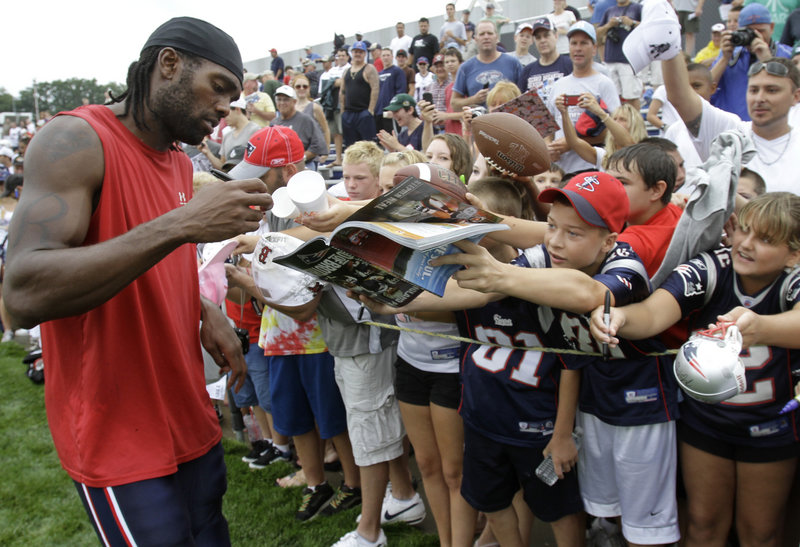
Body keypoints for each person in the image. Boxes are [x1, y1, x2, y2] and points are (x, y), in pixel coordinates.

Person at [2, 17, 273, 545]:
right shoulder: (74, 139)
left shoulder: (175, 161)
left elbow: (149, 253)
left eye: (234, 96)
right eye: (219, 87)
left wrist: (201, 309)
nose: (225, 108)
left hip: (186, 413)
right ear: (168, 64)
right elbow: (24, 292)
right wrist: (185, 223)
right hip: (116, 433)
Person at [591, 192, 800, 547]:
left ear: (794, 254)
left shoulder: (791, 280)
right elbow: (654, 314)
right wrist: (620, 316)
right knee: (703, 525)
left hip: (772, 425)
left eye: (765, 239)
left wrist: (759, 328)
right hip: (707, 422)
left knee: (760, 532)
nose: (745, 245)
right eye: (743, 230)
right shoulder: (711, 268)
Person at [661, 33, 800, 192]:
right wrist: (669, 33)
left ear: (796, 96)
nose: (760, 98)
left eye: (772, 90)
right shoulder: (729, 133)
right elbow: (679, 96)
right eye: (753, 90)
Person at [547, 21, 620, 175]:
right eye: (574, 43)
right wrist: (549, 148)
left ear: (594, 49)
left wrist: (573, 143)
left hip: (591, 167)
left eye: (584, 43)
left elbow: (616, 129)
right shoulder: (558, 85)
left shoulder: (604, 83)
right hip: (561, 170)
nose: (578, 48)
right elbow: (548, 128)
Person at [710, 3, 794, 121]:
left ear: (772, 28)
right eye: (748, 32)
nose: (754, 37)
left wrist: (768, 60)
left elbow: (793, 94)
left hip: (773, 127)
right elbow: (706, 88)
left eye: (760, 31)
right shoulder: (730, 54)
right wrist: (724, 59)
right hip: (733, 128)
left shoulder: (788, 54)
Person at [451, 20, 522, 110]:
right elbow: (454, 104)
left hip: (508, 122)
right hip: (480, 122)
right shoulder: (465, 68)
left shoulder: (513, 63)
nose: (486, 37)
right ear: (475, 39)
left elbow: (524, 98)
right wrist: (474, 99)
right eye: (482, 34)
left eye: (490, 33)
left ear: (496, 37)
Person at [596, 0, 644, 109]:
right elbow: (598, 33)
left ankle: (636, 124)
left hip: (629, 59)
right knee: (612, 98)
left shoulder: (637, 8)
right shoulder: (609, 11)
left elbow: (648, 27)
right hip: (610, 59)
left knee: (631, 96)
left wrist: (632, 23)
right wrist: (609, 25)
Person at [518, 17, 574, 104]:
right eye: (538, 37)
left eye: (546, 35)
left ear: (556, 36)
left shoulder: (570, 65)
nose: (542, 40)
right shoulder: (527, 71)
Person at [272, 85, 327, 168]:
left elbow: (318, 145)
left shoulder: (305, 120)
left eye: (286, 100)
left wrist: (300, 158)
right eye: (279, 99)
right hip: (280, 168)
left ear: (294, 101)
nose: (282, 103)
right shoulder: (274, 123)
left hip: (304, 166)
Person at [199, 98, 260, 170]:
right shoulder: (227, 135)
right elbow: (223, 168)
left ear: (237, 109)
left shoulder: (256, 131)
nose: (223, 118)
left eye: (226, 114)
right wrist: (207, 153)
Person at [340, 41, 380, 147]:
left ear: (365, 54)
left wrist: (370, 110)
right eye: (356, 51)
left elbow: (375, 89)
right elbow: (342, 91)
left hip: (363, 113)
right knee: (351, 147)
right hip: (348, 114)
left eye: (360, 52)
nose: (358, 54)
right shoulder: (346, 71)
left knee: (368, 146)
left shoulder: (369, 69)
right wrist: (343, 112)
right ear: (352, 53)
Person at [292, 74, 331, 161]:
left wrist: (326, 151)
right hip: (294, 155)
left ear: (309, 88)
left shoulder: (315, 107)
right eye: (298, 86)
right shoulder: (290, 108)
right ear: (294, 89)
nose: (301, 88)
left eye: (305, 86)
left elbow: (325, 130)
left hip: (311, 156)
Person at [376, 48, 408, 133]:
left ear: (392, 57)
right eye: (383, 55)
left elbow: (400, 92)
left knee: (393, 138)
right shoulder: (378, 74)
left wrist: (395, 110)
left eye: (388, 55)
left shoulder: (398, 71)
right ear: (381, 58)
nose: (385, 57)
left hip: (391, 112)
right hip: (379, 112)